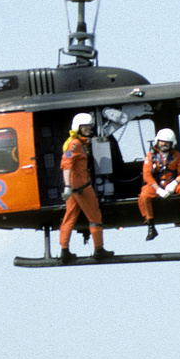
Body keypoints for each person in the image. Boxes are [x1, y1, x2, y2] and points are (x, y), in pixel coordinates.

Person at [59, 112, 114, 261]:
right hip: (82, 188)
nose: (89, 128)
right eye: (86, 126)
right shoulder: (75, 144)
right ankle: (98, 249)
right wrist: (67, 186)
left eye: (90, 126)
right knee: (95, 216)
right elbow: (66, 165)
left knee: (69, 218)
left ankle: (64, 251)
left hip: (75, 189)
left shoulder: (82, 144)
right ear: (78, 128)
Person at [138, 128, 180, 240]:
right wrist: (158, 190)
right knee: (144, 196)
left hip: (172, 183)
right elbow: (146, 175)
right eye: (162, 141)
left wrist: (174, 183)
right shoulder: (150, 156)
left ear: (172, 143)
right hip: (155, 185)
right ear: (157, 141)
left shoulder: (176, 155)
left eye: (167, 142)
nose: (164, 144)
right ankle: (150, 227)